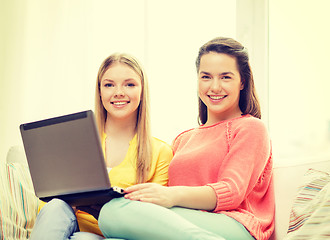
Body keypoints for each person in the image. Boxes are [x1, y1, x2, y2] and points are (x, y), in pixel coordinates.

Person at [97, 37, 275, 240]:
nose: (214, 87)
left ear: (242, 81)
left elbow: (231, 191)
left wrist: (170, 196)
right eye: (206, 77)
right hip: (185, 226)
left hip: (237, 226)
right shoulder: (183, 139)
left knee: (114, 211)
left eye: (225, 77)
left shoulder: (251, 127)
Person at [29, 53, 173, 240]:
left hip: (114, 234)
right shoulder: (78, 143)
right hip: (64, 225)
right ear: (100, 91)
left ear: (142, 90)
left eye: (129, 84)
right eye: (109, 85)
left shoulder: (161, 152)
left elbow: (153, 221)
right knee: (56, 206)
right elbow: (48, 207)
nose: (118, 92)